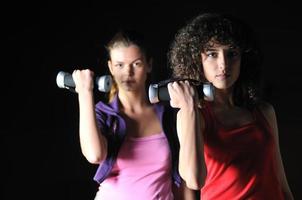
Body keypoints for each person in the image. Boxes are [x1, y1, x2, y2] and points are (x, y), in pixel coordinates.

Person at [166, 12, 294, 199]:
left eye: (232, 54)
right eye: (212, 54)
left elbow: (281, 182)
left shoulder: (264, 112)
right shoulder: (194, 115)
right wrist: (190, 107)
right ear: (197, 60)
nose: (223, 64)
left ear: (244, 59)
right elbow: (194, 180)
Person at [72, 29, 195, 199]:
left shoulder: (169, 115)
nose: (127, 73)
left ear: (149, 65)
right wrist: (85, 93)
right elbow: (95, 155)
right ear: (110, 67)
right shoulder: (103, 114)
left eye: (136, 63)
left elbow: (182, 180)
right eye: (119, 65)